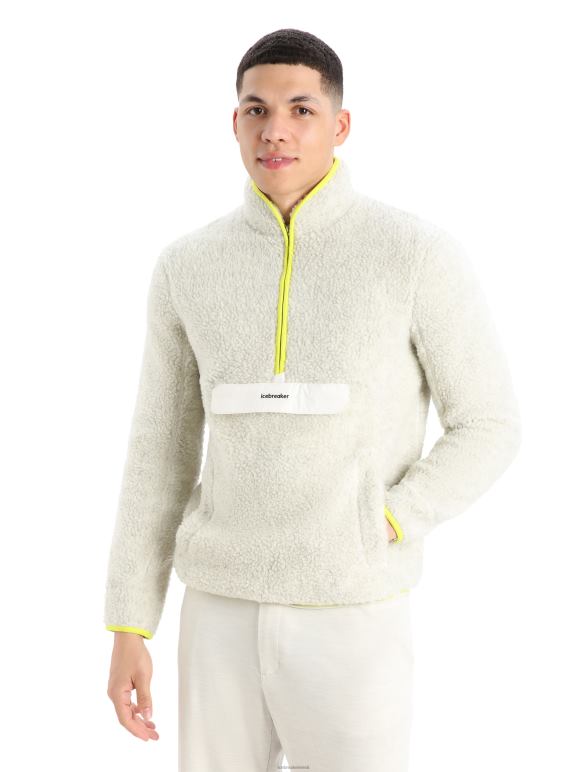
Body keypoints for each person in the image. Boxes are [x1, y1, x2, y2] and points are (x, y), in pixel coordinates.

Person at [104, 28, 522, 771]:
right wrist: (131, 623)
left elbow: (489, 424)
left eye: (301, 109)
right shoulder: (186, 266)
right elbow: (159, 451)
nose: (276, 130)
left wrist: (389, 518)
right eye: (256, 109)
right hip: (219, 609)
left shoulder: (413, 253)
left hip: (352, 608)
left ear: (340, 124)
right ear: (235, 122)